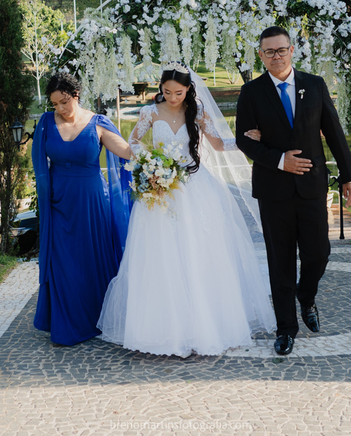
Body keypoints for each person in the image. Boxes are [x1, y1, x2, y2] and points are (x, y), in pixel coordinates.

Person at [97, 63, 275, 357]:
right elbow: (133, 144)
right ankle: (161, 329)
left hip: (195, 187)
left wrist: (244, 141)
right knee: (163, 256)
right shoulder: (149, 113)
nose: (172, 97)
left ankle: (204, 326)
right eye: (166, 91)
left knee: (199, 253)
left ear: (189, 90)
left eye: (178, 92)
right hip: (161, 191)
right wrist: (153, 165)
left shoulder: (198, 110)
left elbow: (217, 144)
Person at [235, 26, 351, 356]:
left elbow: (334, 132)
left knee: (319, 253)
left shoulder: (315, 85)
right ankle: (286, 328)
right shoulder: (252, 92)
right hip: (273, 189)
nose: (276, 56)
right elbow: (243, 140)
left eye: (282, 50)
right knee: (281, 262)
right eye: (269, 52)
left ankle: (307, 296)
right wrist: (278, 160)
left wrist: (349, 175)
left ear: (292, 50)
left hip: (312, 185)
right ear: (261, 55)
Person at [31, 72, 135, 345]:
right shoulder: (45, 124)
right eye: (55, 104)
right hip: (58, 204)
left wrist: (157, 148)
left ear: (76, 95)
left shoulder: (97, 124)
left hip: (92, 204)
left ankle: (100, 317)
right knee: (63, 263)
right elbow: (40, 168)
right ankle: (67, 324)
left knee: (93, 260)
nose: (61, 109)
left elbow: (126, 151)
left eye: (64, 102)